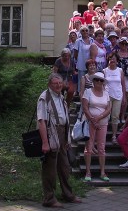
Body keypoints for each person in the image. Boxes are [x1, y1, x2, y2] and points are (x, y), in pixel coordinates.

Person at [37, 73, 82, 207]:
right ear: (49, 84)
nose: (58, 85)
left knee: (65, 167)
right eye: (55, 83)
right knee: (50, 169)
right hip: (51, 134)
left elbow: (65, 119)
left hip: (62, 134)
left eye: (60, 83)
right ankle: (49, 199)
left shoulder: (61, 97)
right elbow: (41, 121)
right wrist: (45, 143)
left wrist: (67, 139)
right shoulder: (44, 98)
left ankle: (67, 194)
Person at [82, 71, 112, 182]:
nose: (99, 82)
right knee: (88, 147)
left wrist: (99, 118)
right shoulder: (87, 91)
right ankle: (88, 172)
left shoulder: (106, 93)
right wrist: (93, 120)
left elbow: (108, 108)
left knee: (101, 148)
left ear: (103, 82)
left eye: (101, 80)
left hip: (102, 123)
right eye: (97, 80)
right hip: (89, 122)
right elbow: (85, 107)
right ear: (93, 81)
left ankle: (102, 172)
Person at [104, 52, 127, 145]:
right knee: (106, 116)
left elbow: (123, 84)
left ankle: (114, 135)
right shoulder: (104, 71)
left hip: (118, 95)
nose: (112, 60)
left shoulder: (120, 70)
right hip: (107, 96)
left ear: (117, 61)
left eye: (114, 59)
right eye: (110, 58)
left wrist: (124, 96)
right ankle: (103, 134)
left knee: (115, 116)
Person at [74, 26, 93, 94]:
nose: (85, 32)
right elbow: (75, 53)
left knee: (90, 79)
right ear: (80, 32)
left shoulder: (92, 40)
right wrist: (79, 60)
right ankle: (81, 94)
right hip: (81, 63)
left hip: (90, 63)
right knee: (81, 79)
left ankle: (89, 93)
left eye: (86, 30)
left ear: (88, 32)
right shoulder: (78, 41)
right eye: (83, 31)